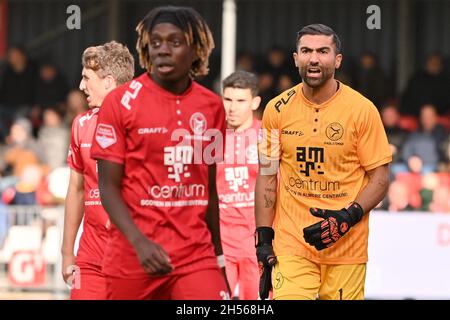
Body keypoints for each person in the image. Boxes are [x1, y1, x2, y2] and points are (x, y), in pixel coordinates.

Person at [90, 6, 230, 300]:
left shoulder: (213, 106)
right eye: (156, 43)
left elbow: (210, 190)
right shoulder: (120, 103)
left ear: (195, 51)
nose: (163, 50)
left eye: (175, 42)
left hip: (195, 256)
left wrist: (218, 261)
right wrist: (139, 243)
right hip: (134, 256)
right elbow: (107, 186)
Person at [255, 23, 391, 300]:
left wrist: (347, 216)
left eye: (322, 51)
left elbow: (380, 178)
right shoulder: (276, 109)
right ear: (295, 59)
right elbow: (267, 175)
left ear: (337, 60)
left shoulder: (362, 110)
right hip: (292, 244)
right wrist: (264, 238)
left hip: (346, 248)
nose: (314, 58)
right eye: (306, 51)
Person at [61, 41, 135, 299]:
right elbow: (76, 189)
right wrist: (67, 251)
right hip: (90, 258)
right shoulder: (81, 124)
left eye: (86, 78)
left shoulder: (146, 125)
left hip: (134, 256)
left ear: (108, 81)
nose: (81, 86)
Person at [217, 70, 261, 299]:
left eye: (240, 100)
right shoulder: (210, 138)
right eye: (228, 99)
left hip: (256, 243)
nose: (232, 107)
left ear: (254, 102)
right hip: (221, 242)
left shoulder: (268, 137)